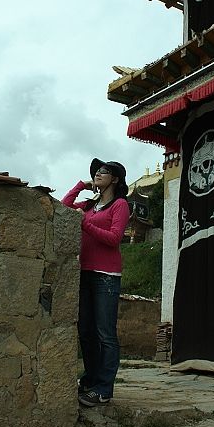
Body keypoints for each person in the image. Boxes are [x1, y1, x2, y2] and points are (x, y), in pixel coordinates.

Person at [62, 158, 130, 407]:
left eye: (105, 171)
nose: (99, 174)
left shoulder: (120, 205)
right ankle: (90, 380)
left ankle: (104, 389)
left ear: (116, 179)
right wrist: (82, 184)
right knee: (86, 332)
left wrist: (86, 224)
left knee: (105, 333)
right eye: (97, 171)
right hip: (85, 273)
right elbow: (64, 206)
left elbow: (114, 238)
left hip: (106, 277)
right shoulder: (90, 205)